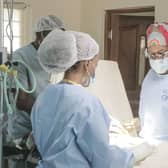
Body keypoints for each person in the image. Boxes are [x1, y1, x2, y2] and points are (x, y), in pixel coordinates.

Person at [31, 29, 135, 168]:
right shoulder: (86, 103)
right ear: (87, 64)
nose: (95, 69)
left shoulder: (44, 97)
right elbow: (102, 158)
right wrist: (130, 156)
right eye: (95, 64)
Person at [7, 15, 65, 168]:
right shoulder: (21, 57)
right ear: (40, 35)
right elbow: (20, 99)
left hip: (48, 128)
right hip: (25, 129)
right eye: (52, 38)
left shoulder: (55, 56)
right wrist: (49, 115)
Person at [139, 22, 168, 141]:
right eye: (152, 55)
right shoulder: (149, 77)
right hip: (148, 140)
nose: (156, 59)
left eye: (161, 53)